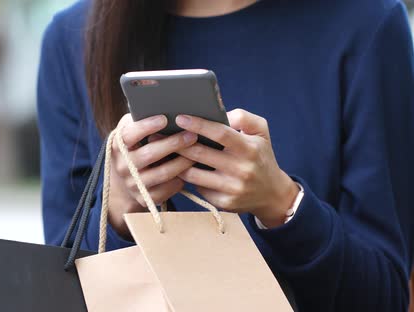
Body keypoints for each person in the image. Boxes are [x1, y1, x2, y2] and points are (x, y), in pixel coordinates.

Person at [37, 0, 414, 310]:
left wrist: (282, 205)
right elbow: (51, 289)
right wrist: (120, 206)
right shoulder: (75, 37)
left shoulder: (368, 24)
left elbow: (386, 297)